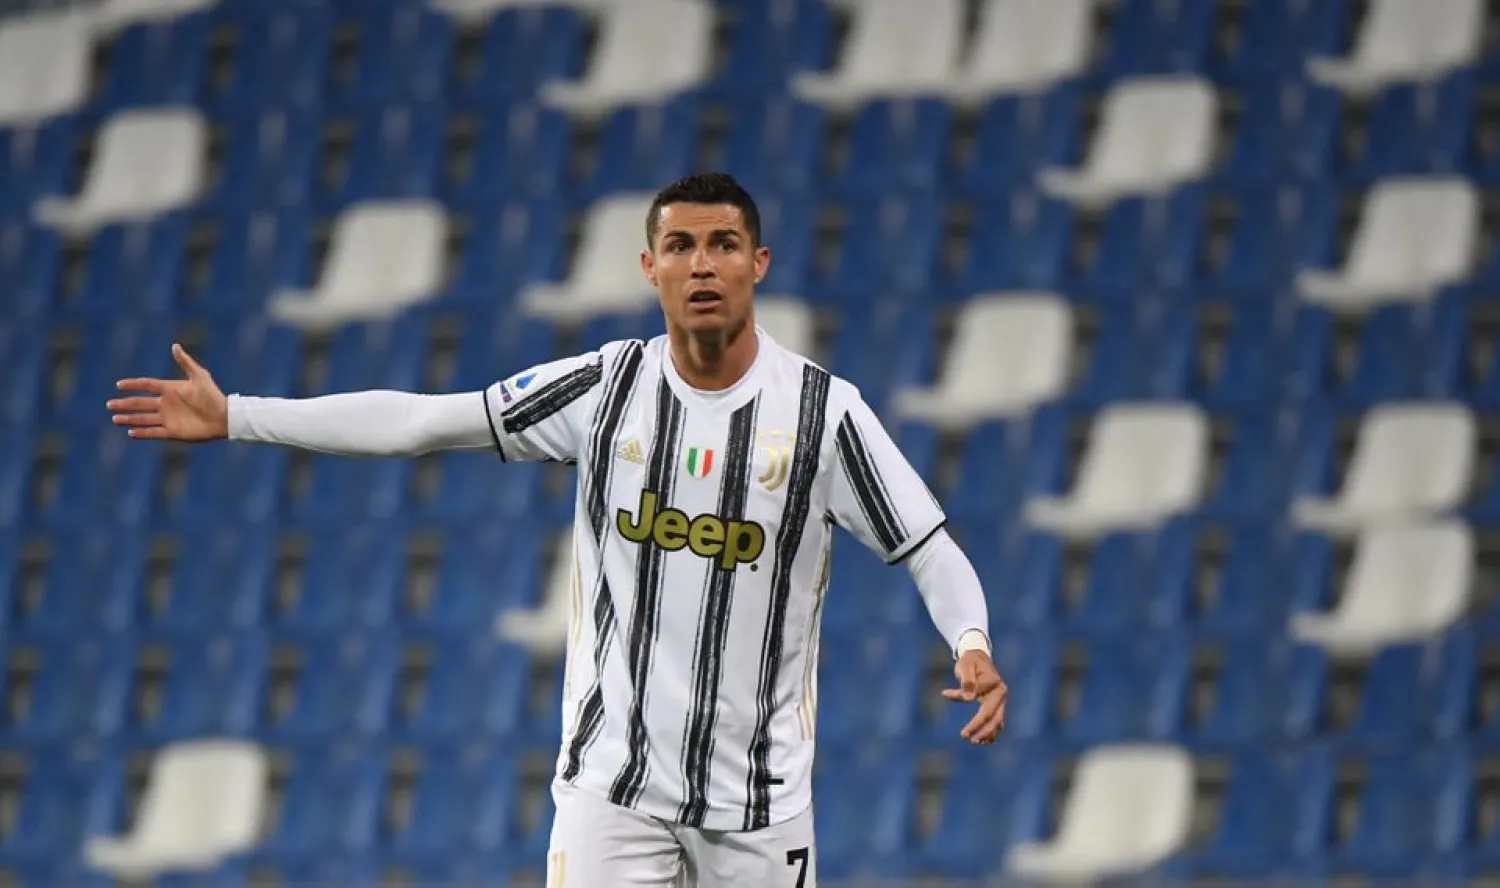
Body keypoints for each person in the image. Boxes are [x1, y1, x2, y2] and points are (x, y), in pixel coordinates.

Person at [107, 172, 1007, 887]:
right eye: (680, 245)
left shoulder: (823, 415)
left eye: (723, 245)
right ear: (647, 267)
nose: (702, 264)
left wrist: (970, 640)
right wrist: (242, 415)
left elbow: (927, 547)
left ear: (758, 265)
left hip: (760, 807)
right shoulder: (604, 390)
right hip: (610, 789)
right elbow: (424, 421)